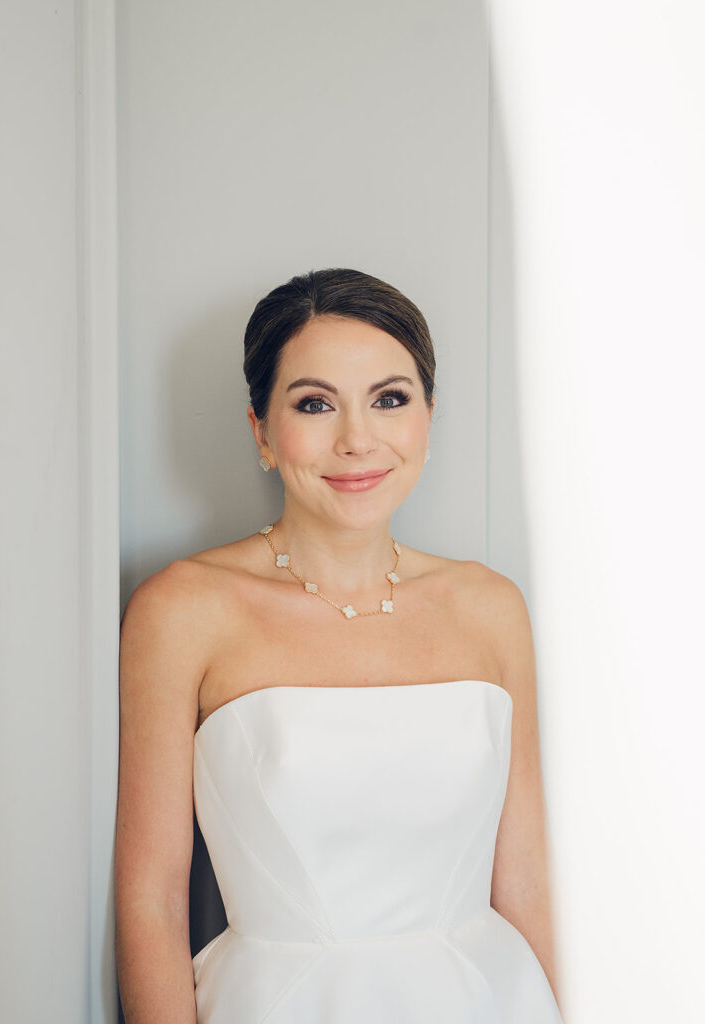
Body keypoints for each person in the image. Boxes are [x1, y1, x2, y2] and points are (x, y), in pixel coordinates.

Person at [114, 268, 564, 1023]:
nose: (357, 440)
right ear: (261, 430)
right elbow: (151, 897)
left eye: (390, 399)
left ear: (428, 417)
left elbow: (523, 883)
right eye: (315, 404)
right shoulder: (184, 610)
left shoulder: (491, 608)